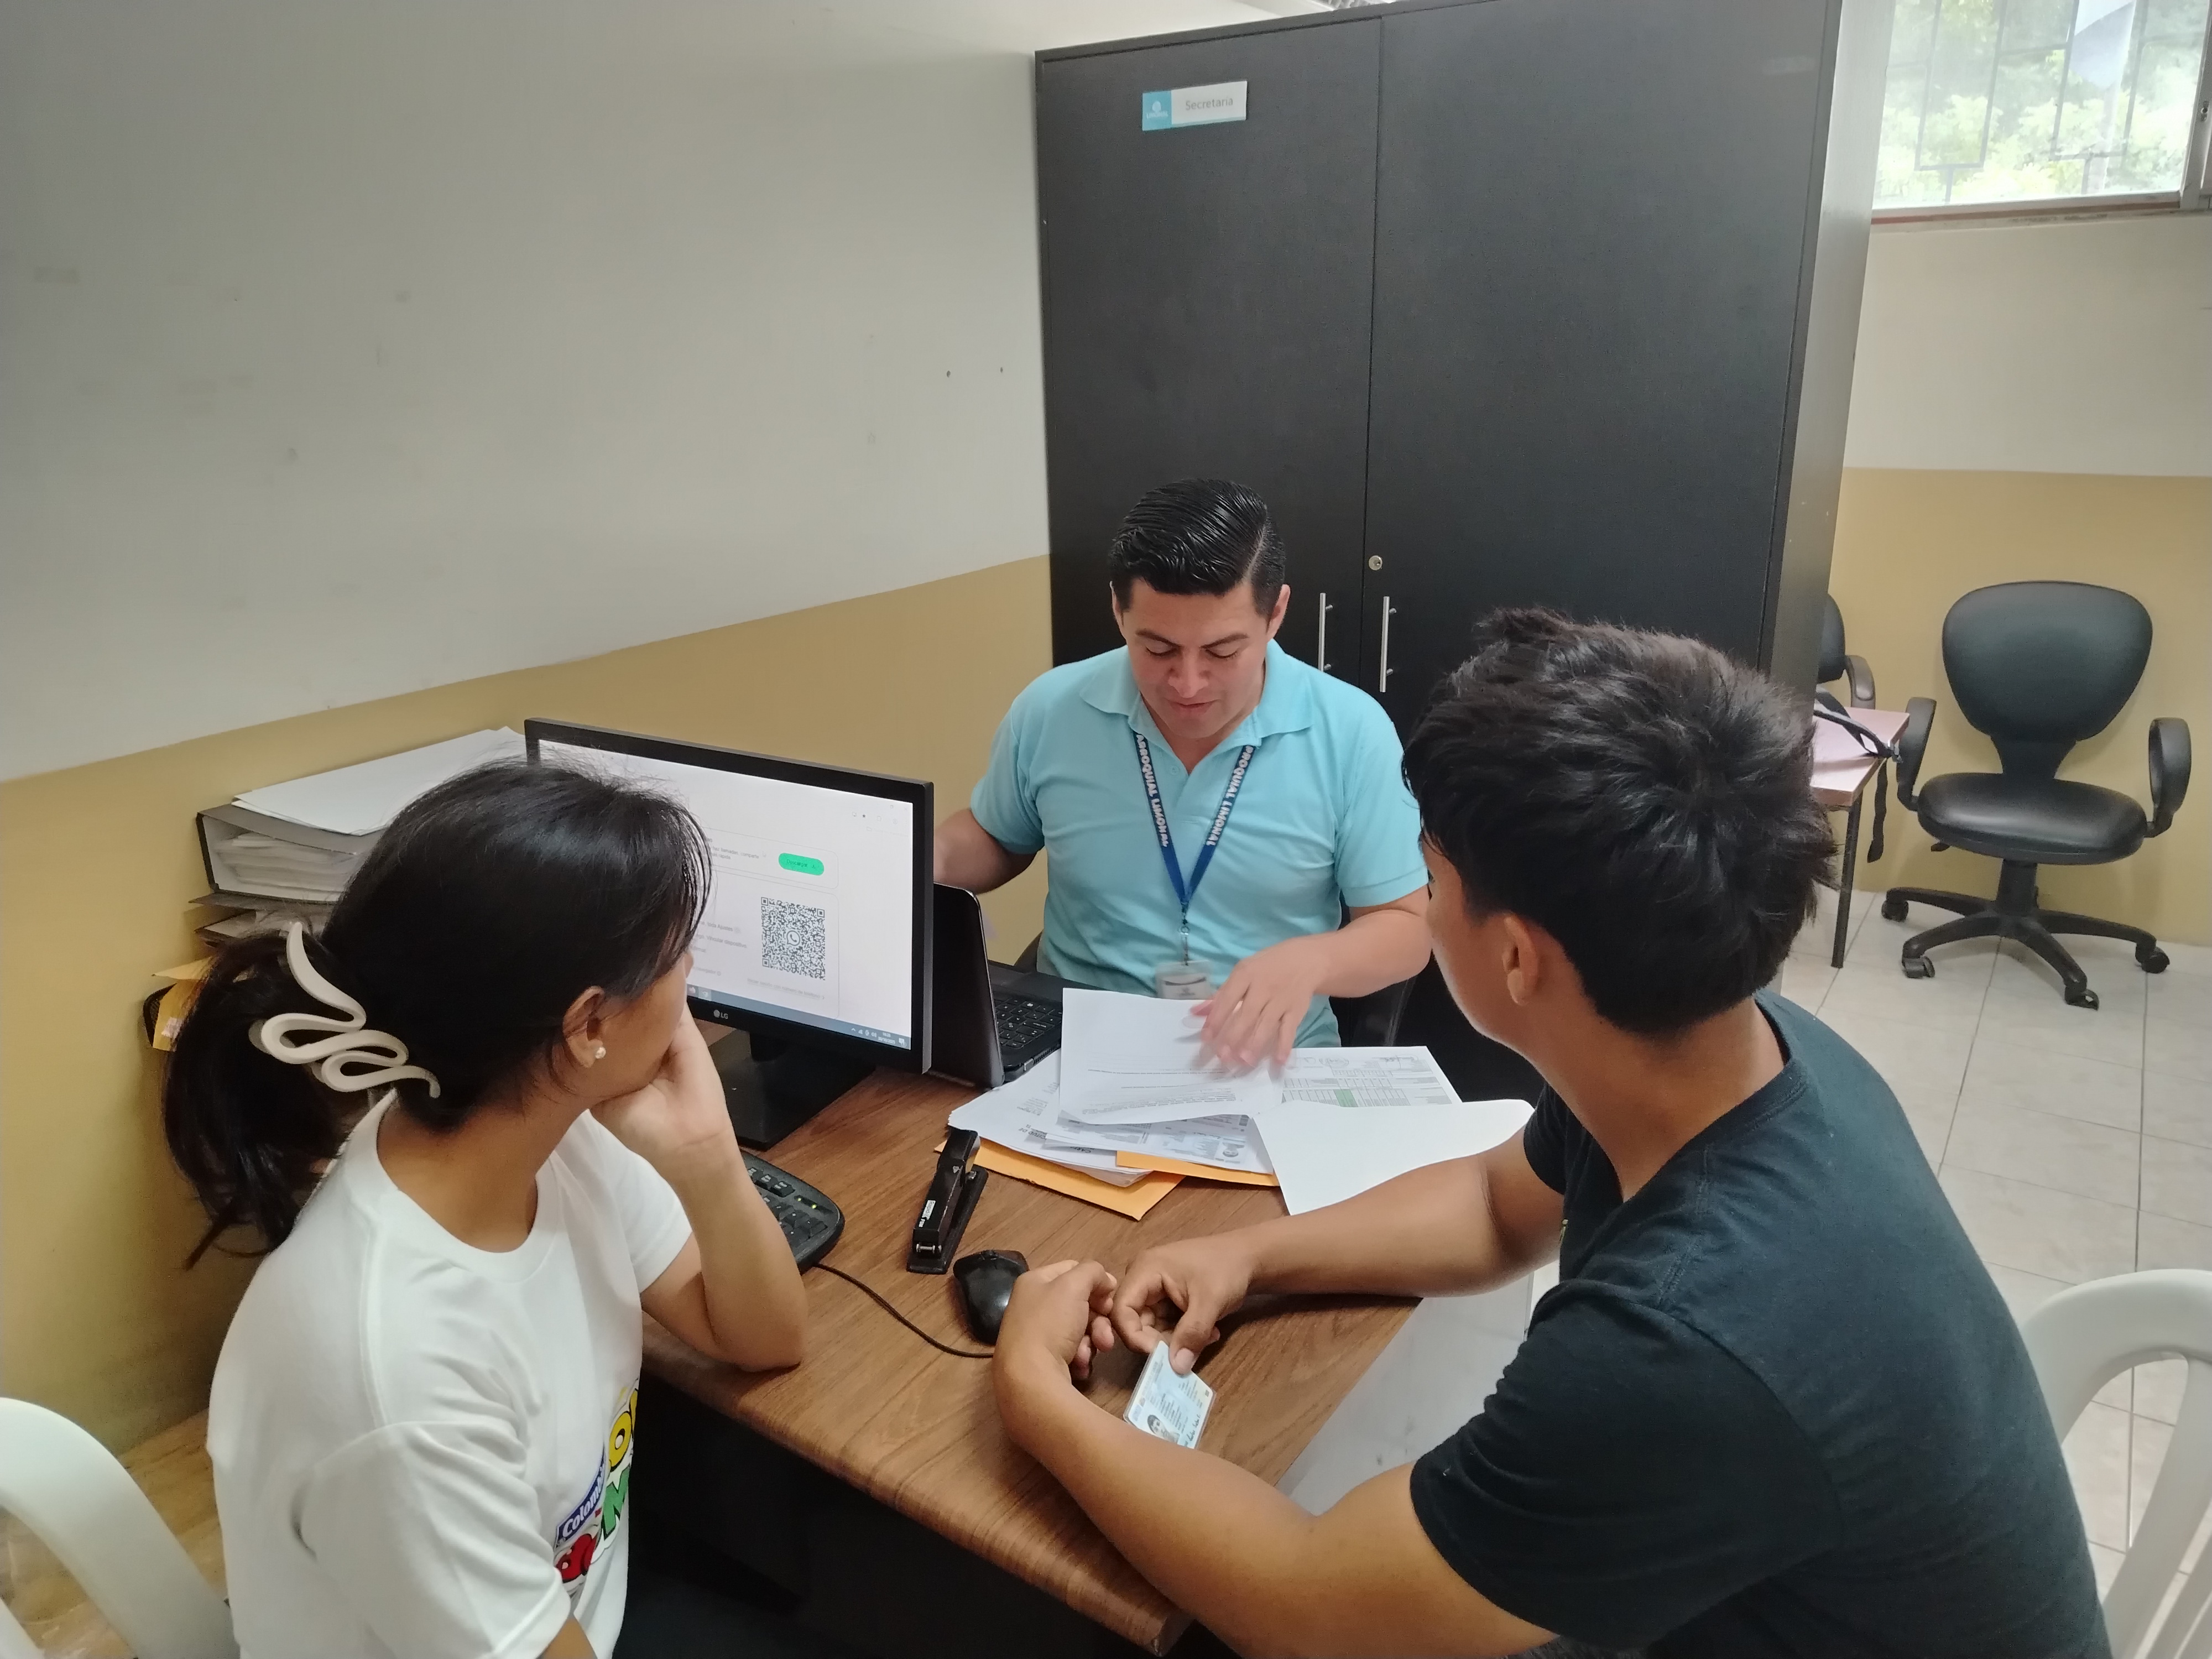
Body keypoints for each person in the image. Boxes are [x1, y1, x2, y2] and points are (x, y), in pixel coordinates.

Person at [988, 611, 2110, 1658]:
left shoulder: (1678, 1348)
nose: (1422, 906)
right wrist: (1246, 1255)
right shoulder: (1728, 1044)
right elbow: (1496, 1204)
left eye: (1431, 882)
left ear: (1518, 957)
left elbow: (1306, 1602)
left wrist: (1038, 1396)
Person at [164, 762, 812, 1659]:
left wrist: (706, 1160)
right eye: (677, 957)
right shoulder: (397, 1382)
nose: (692, 977)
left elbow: (765, 1335)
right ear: (589, 1026)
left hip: (588, 1604)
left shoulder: (536, 1130)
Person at [935, 478, 1429, 1066]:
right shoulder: (1052, 709)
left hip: (1267, 1055)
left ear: (1275, 613)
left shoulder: (1350, 731)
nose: (1188, 684)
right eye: (1158, 649)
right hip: (1077, 1050)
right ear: (1118, 611)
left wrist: (1314, 961)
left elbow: (1405, 927)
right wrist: (924, 860)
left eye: (1222, 652)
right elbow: (998, 837)